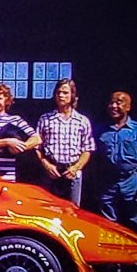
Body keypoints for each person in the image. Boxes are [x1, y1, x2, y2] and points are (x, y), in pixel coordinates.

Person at [95, 91, 137, 272]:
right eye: (112, 102)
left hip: (131, 181)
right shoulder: (102, 129)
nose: (114, 106)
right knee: (108, 226)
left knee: (134, 224)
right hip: (108, 183)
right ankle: (111, 267)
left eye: (119, 103)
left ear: (128, 107)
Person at [35, 78, 95, 206]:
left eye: (65, 93)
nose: (61, 95)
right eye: (58, 92)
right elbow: (37, 147)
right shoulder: (45, 119)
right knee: (48, 209)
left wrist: (76, 167)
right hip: (51, 172)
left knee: (72, 211)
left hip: (72, 172)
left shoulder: (82, 121)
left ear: (72, 95)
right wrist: (46, 164)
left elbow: (87, 149)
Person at [0, 83, 41, 181]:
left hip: (7, 176)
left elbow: (36, 139)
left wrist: (20, 147)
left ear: (7, 101)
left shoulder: (15, 120)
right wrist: (8, 142)